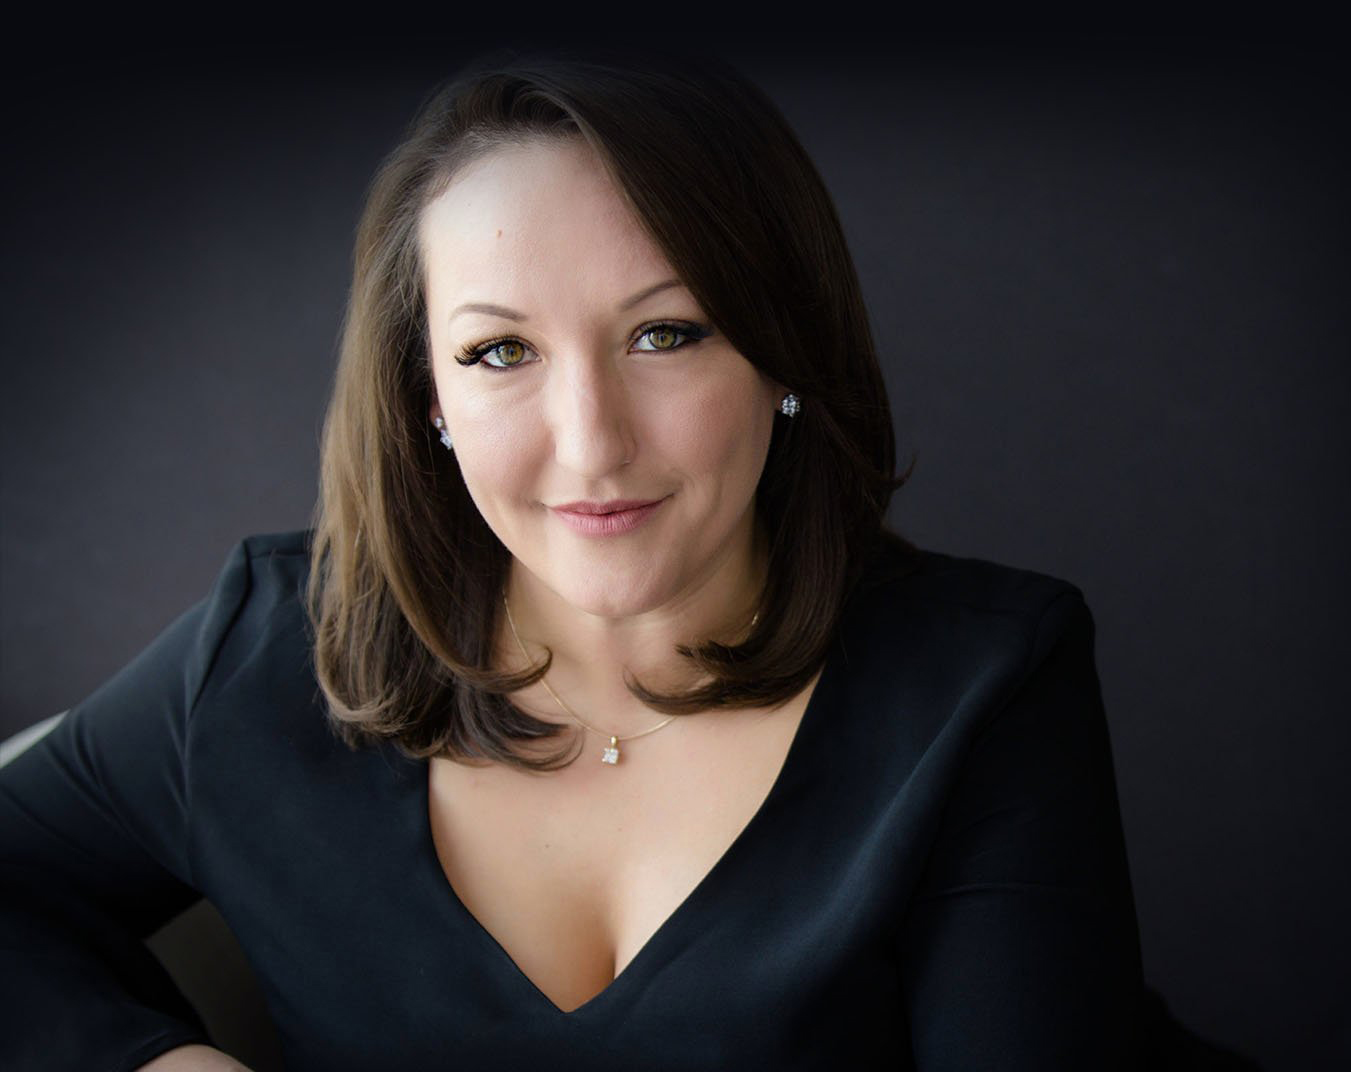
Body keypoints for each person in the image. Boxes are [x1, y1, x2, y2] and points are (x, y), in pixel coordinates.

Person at [0, 50, 1145, 1069]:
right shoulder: (273, 651)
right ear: (429, 396)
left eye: (665, 333)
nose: (591, 442)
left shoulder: (985, 683)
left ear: (782, 353)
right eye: (500, 351)